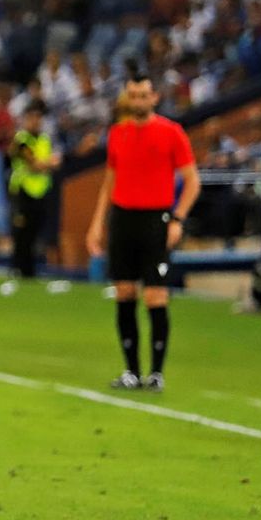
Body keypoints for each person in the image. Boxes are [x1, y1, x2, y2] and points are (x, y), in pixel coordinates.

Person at [85, 75, 200, 392]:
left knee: (156, 295)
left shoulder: (171, 133)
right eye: (132, 95)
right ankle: (132, 371)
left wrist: (177, 219)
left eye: (143, 95)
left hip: (156, 219)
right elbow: (109, 181)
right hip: (123, 218)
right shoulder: (118, 134)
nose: (137, 101)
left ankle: (157, 373)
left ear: (154, 97)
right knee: (124, 293)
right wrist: (98, 222)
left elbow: (192, 180)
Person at [5, 98, 61, 288]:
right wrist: (49, 163)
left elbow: (49, 162)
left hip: (40, 192)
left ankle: (28, 272)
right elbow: (35, 164)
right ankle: (17, 269)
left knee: (34, 232)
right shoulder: (21, 140)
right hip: (22, 192)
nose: (35, 121)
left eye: (38, 117)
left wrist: (47, 163)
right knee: (21, 232)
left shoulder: (44, 139)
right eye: (32, 117)